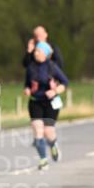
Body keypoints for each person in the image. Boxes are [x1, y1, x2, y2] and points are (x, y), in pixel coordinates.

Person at [24, 42, 69, 170]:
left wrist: (55, 91)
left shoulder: (52, 67)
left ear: (45, 54)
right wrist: (27, 89)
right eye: (35, 51)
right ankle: (43, 160)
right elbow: (27, 83)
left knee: (48, 131)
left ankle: (53, 144)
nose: (35, 53)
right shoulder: (31, 67)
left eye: (38, 51)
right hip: (35, 102)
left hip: (50, 102)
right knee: (38, 131)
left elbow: (65, 82)